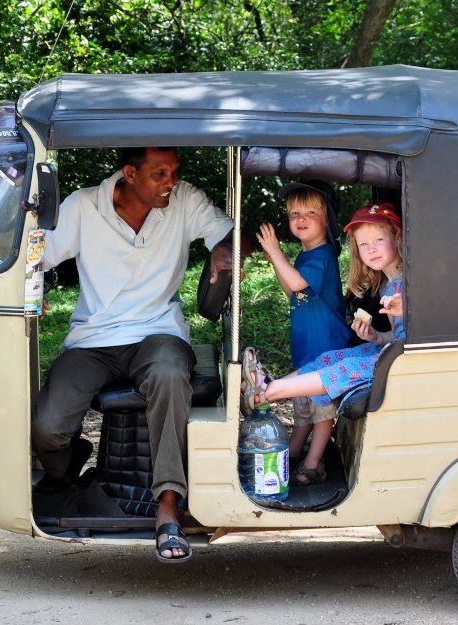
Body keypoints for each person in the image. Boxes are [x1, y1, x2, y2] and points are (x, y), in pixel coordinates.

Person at [32, 146, 239, 563]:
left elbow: (232, 232)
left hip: (157, 330)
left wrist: (224, 247)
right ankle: (66, 467)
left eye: (174, 172)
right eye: (160, 174)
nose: (171, 182)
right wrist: (30, 282)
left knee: (168, 374)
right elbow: (39, 254)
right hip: (94, 338)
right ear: (130, 173)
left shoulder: (184, 201)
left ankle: (167, 508)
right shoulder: (84, 205)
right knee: (46, 428)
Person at [243, 202, 405, 484]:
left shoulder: (410, 281)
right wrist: (377, 337)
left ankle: (268, 391)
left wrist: (409, 309)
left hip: (406, 361)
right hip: (391, 351)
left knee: (346, 368)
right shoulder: (388, 285)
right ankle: (269, 382)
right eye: (364, 244)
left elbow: (424, 327)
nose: (372, 249)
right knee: (330, 359)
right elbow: (396, 335)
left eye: (379, 240)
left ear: (398, 239)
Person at [255, 181, 350, 482]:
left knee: (321, 410)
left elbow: (297, 283)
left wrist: (274, 250)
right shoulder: (304, 256)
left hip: (327, 348)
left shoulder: (323, 255)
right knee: (303, 409)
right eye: (295, 212)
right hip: (308, 348)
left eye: (310, 211)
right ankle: (293, 452)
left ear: (327, 219)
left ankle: (313, 463)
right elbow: (291, 290)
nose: (300, 218)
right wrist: (276, 261)